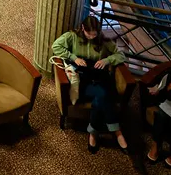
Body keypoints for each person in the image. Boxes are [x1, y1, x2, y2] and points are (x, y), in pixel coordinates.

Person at [52, 15, 128, 153]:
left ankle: (93, 132)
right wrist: (74, 58)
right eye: (89, 34)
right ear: (83, 28)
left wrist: (107, 60)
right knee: (103, 96)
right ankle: (117, 131)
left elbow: (122, 55)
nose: (92, 37)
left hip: (100, 77)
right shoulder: (72, 36)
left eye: (95, 34)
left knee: (101, 98)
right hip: (83, 79)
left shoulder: (103, 40)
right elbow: (56, 46)